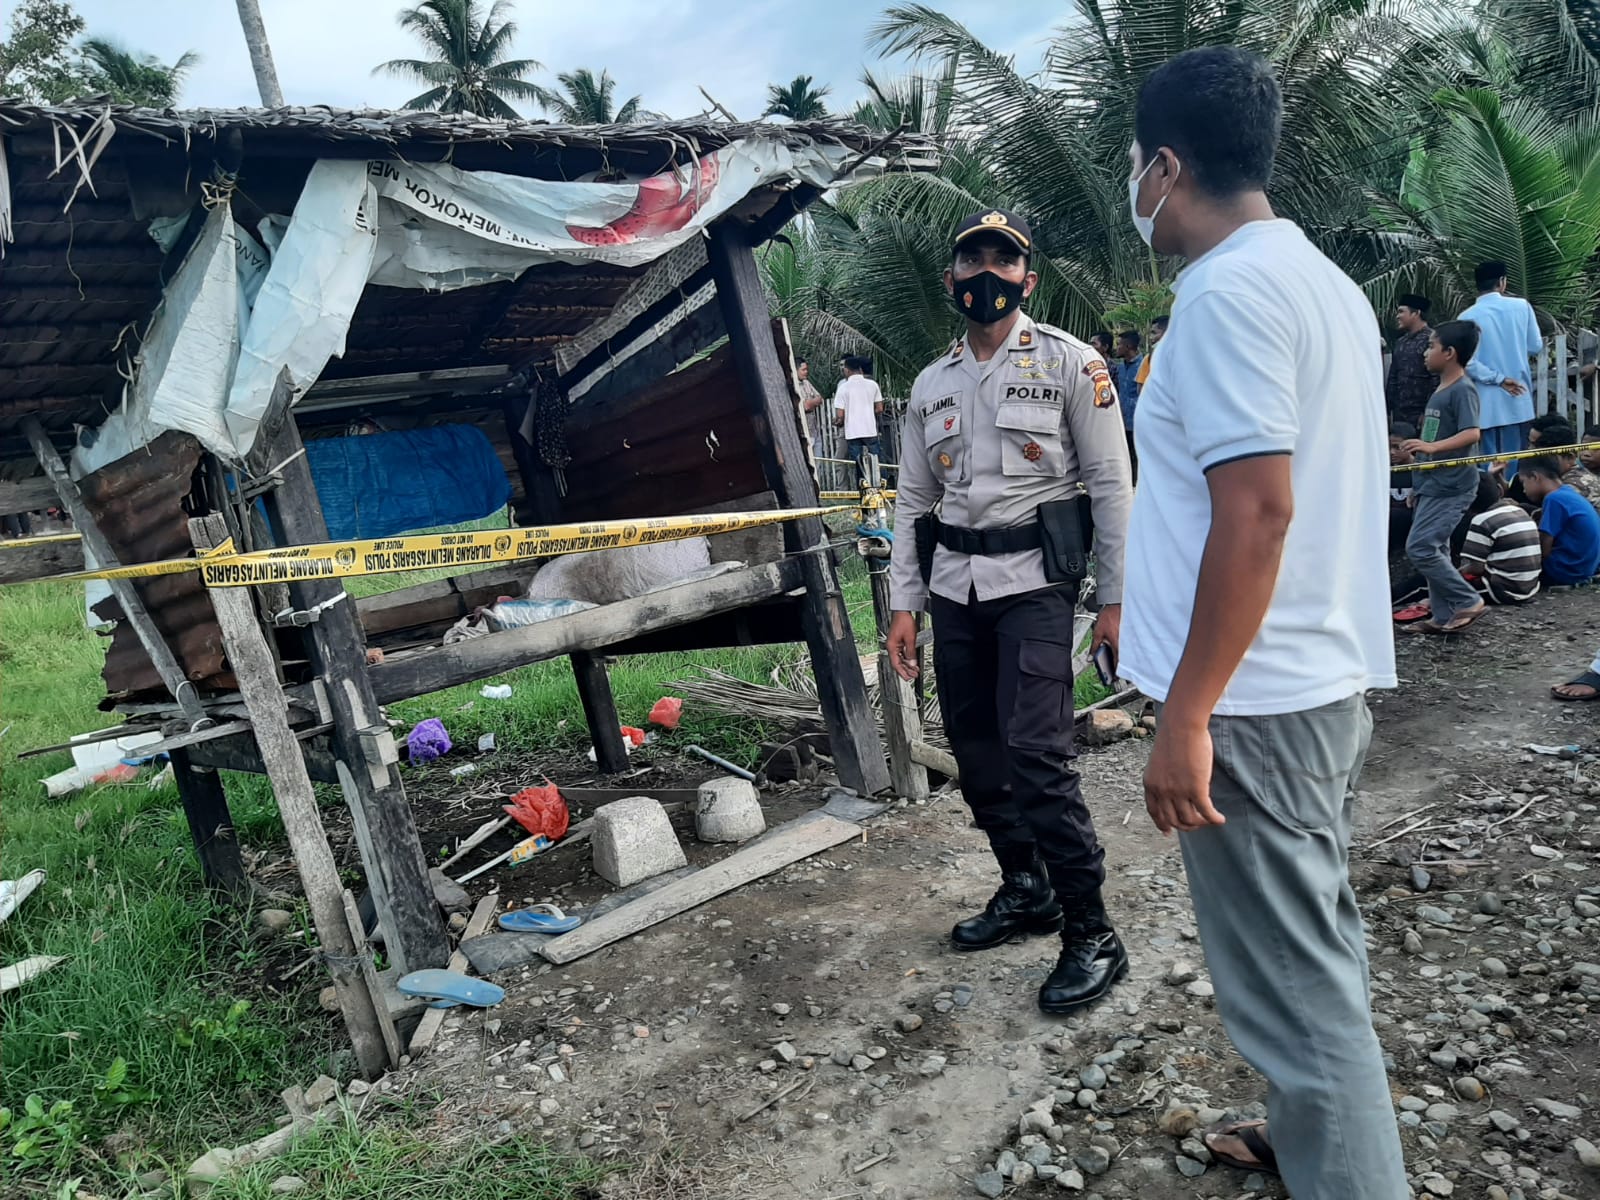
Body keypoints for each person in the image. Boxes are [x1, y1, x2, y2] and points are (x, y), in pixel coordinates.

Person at [1116, 47, 1406, 1199]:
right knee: (1306, 954)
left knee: (1296, 994)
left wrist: (1185, 714)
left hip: (1257, 705)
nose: (1134, 190)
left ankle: (1348, 1169)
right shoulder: (1319, 283)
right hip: (1315, 678)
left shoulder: (1229, 293)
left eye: (1136, 168)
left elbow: (1260, 508)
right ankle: (1309, 1140)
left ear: (1167, 165)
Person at [884, 206, 1134, 1016]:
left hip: (1035, 582)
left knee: (1037, 752)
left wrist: (1117, 600)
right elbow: (914, 498)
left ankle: (1092, 931)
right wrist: (903, 603)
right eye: (971, 260)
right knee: (976, 747)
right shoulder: (931, 383)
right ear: (951, 277)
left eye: (1003, 260)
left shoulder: (1072, 363)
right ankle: (1026, 889)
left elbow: (1110, 485)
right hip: (955, 585)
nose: (985, 274)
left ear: (1028, 278)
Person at [1399, 321, 1486, 634]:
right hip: (1432, 483)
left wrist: (1431, 446)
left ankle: (1467, 600)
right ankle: (1442, 615)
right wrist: (1419, 480)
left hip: (1453, 486)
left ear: (1449, 353)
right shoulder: (1441, 389)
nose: (1426, 352)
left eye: (1432, 346)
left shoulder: (1463, 389)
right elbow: (1432, 439)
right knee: (1437, 550)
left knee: (1421, 548)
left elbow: (1472, 432)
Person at [1458, 260, 1542, 474]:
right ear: (1502, 282)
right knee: (1515, 456)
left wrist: (1497, 378)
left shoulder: (1467, 316)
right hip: (1517, 395)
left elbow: (1466, 361)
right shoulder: (1522, 307)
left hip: (1485, 397)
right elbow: (1535, 346)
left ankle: (1491, 498)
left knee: (1487, 459)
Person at [1519, 455, 1600, 585]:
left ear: (1535, 477)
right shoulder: (1567, 492)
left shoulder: (1554, 499)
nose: (1523, 490)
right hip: (1584, 568)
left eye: (1523, 482)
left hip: (1566, 571)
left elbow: (1543, 550)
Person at [1459, 488, 1542, 606]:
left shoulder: (1481, 520)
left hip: (1502, 591)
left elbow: (1477, 568)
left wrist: (1458, 573)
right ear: (1500, 491)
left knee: (1447, 587)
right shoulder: (1520, 511)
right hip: (1530, 588)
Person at [833, 355, 885, 484]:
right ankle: (881, 486)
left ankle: (864, 491)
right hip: (870, 430)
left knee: (859, 464)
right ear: (860, 369)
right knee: (876, 461)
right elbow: (879, 409)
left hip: (853, 433)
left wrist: (837, 421)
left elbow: (840, 415)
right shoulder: (873, 385)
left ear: (847, 370)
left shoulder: (843, 388)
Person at [1385, 293, 1434, 426]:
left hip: (1422, 415)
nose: (1397, 316)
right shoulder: (1400, 342)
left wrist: (1427, 412)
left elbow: (1436, 378)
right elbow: (1393, 377)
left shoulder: (1432, 339)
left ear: (1416, 313)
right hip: (1399, 415)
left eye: (1401, 311)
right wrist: (1387, 410)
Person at [1114, 331, 1144, 479]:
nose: (1116, 348)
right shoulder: (1119, 367)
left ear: (1129, 346)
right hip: (1121, 419)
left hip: (1138, 420)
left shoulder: (1143, 365)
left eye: (1119, 344)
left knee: (1138, 457)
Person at [1388, 421, 1418, 557]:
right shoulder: (1379, 471)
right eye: (1388, 447)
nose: (1391, 452)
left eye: (1396, 447)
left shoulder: (1422, 470)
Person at [1134, 314, 1168, 389]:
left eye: (1154, 333)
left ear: (1167, 334)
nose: (1150, 337)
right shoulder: (1148, 359)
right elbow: (1141, 389)